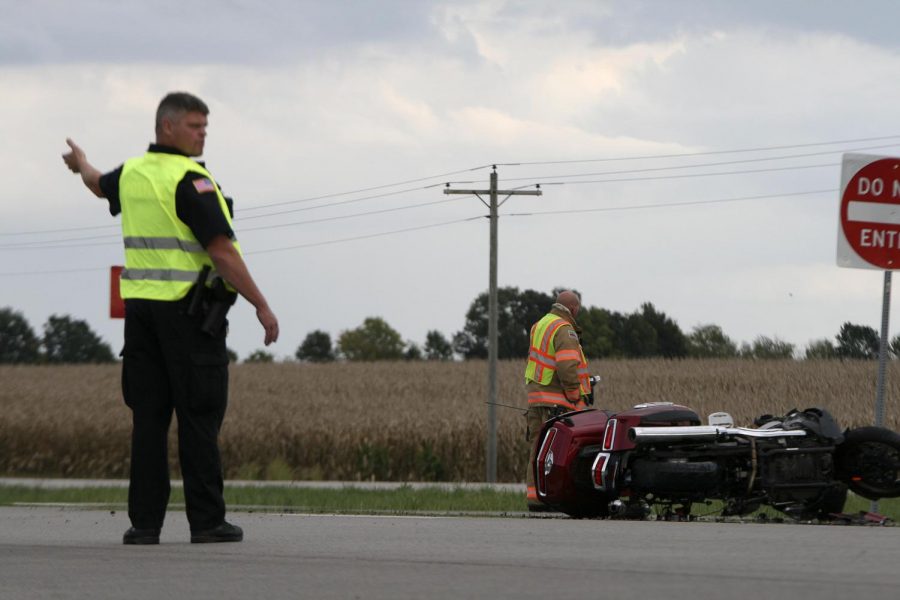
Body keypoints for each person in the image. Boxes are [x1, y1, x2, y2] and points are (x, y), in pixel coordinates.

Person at [62, 91, 279, 545]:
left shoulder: (134, 172)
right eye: (195, 126)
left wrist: (80, 163)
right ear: (167, 127)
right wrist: (260, 303)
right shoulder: (190, 180)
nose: (203, 135)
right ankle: (206, 522)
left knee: (149, 418)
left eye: (204, 128)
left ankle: (144, 525)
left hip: (140, 316)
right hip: (189, 315)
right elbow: (221, 250)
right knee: (199, 414)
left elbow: (98, 182)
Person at [523, 290, 591, 511]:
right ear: (573, 309)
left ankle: (535, 498)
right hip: (557, 402)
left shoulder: (539, 325)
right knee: (558, 452)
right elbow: (566, 365)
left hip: (536, 400)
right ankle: (555, 496)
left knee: (537, 448)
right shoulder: (564, 329)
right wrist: (575, 395)